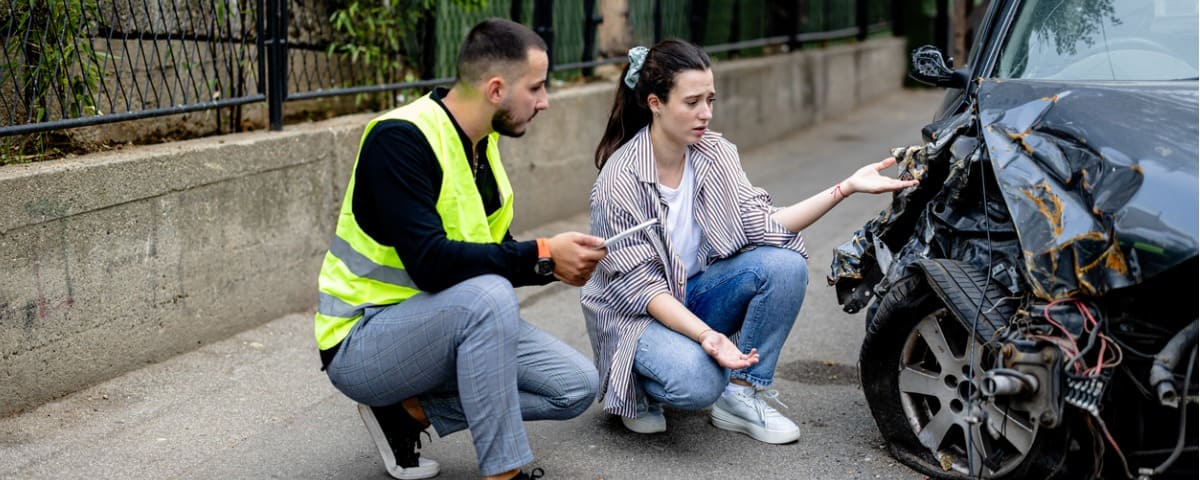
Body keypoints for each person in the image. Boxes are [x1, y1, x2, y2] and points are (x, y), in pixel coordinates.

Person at [582, 40, 918, 444]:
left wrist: (846, 188)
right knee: (697, 382)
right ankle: (637, 387)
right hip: (640, 317)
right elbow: (644, 290)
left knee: (784, 265)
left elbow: (762, 224)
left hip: (691, 295)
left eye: (710, 99)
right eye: (692, 102)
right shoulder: (620, 180)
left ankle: (740, 395)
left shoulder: (715, 153)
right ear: (655, 103)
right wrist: (709, 337)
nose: (705, 113)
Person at [315, 18, 605, 480]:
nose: (545, 102)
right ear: (495, 90)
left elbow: (492, 250)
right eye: (536, 88)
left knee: (574, 387)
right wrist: (544, 252)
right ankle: (504, 472)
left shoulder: (480, 145)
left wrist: (557, 264)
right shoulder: (400, 139)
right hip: (363, 343)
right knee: (488, 296)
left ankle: (408, 414)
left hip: (445, 326)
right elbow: (431, 264)